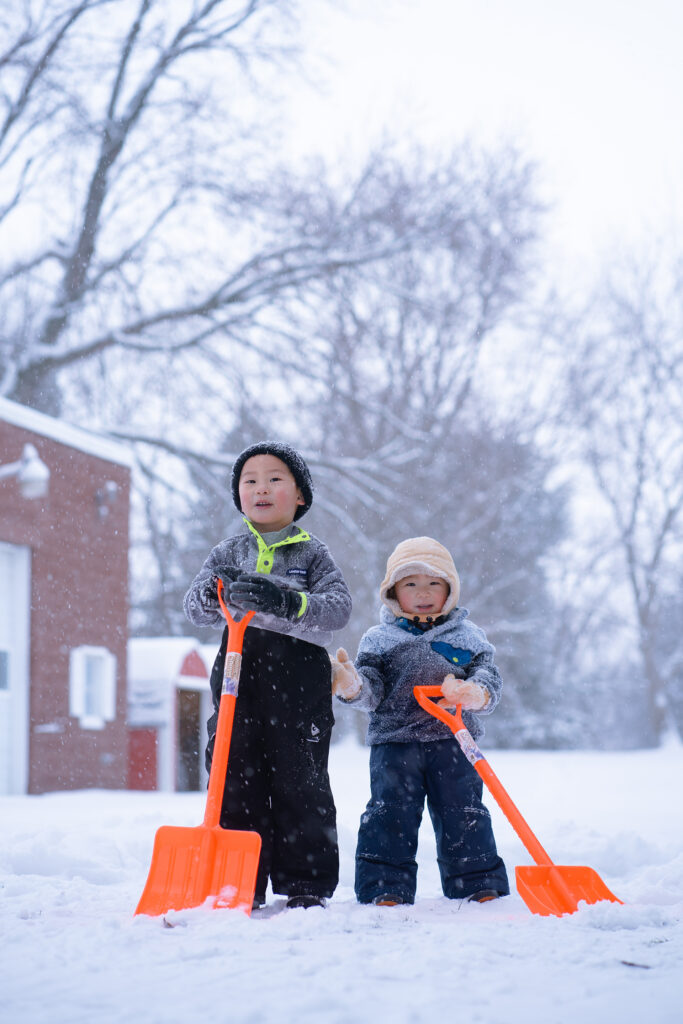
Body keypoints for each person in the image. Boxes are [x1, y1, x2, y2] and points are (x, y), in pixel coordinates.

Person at [184, 441, 352, 910]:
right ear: (238, 495)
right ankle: (241, 879)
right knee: (233, 774)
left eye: (275, 479)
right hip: (238, 673)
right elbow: (195, 608)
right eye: (250, 480)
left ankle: (305, 881)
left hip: (299, 678)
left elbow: (338, 609)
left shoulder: (312, 554)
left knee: (301, 779)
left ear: (300, 495)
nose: (261, 488)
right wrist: (213, 594)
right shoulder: (226, 551)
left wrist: (286, 602)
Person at [331, 536, 509, 907]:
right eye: (411, 583)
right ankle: (384, 885)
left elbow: (487, 675)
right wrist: (351, 685)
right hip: (395, 743)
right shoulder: (379, 639)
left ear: (450, 590)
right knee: (390, 813)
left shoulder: (469, 636)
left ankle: (476, 882)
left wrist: (474, 692)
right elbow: (372, 689)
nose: (423, 592)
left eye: (434, 583)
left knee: (464, 812)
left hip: (455, 741)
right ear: (393, 592)